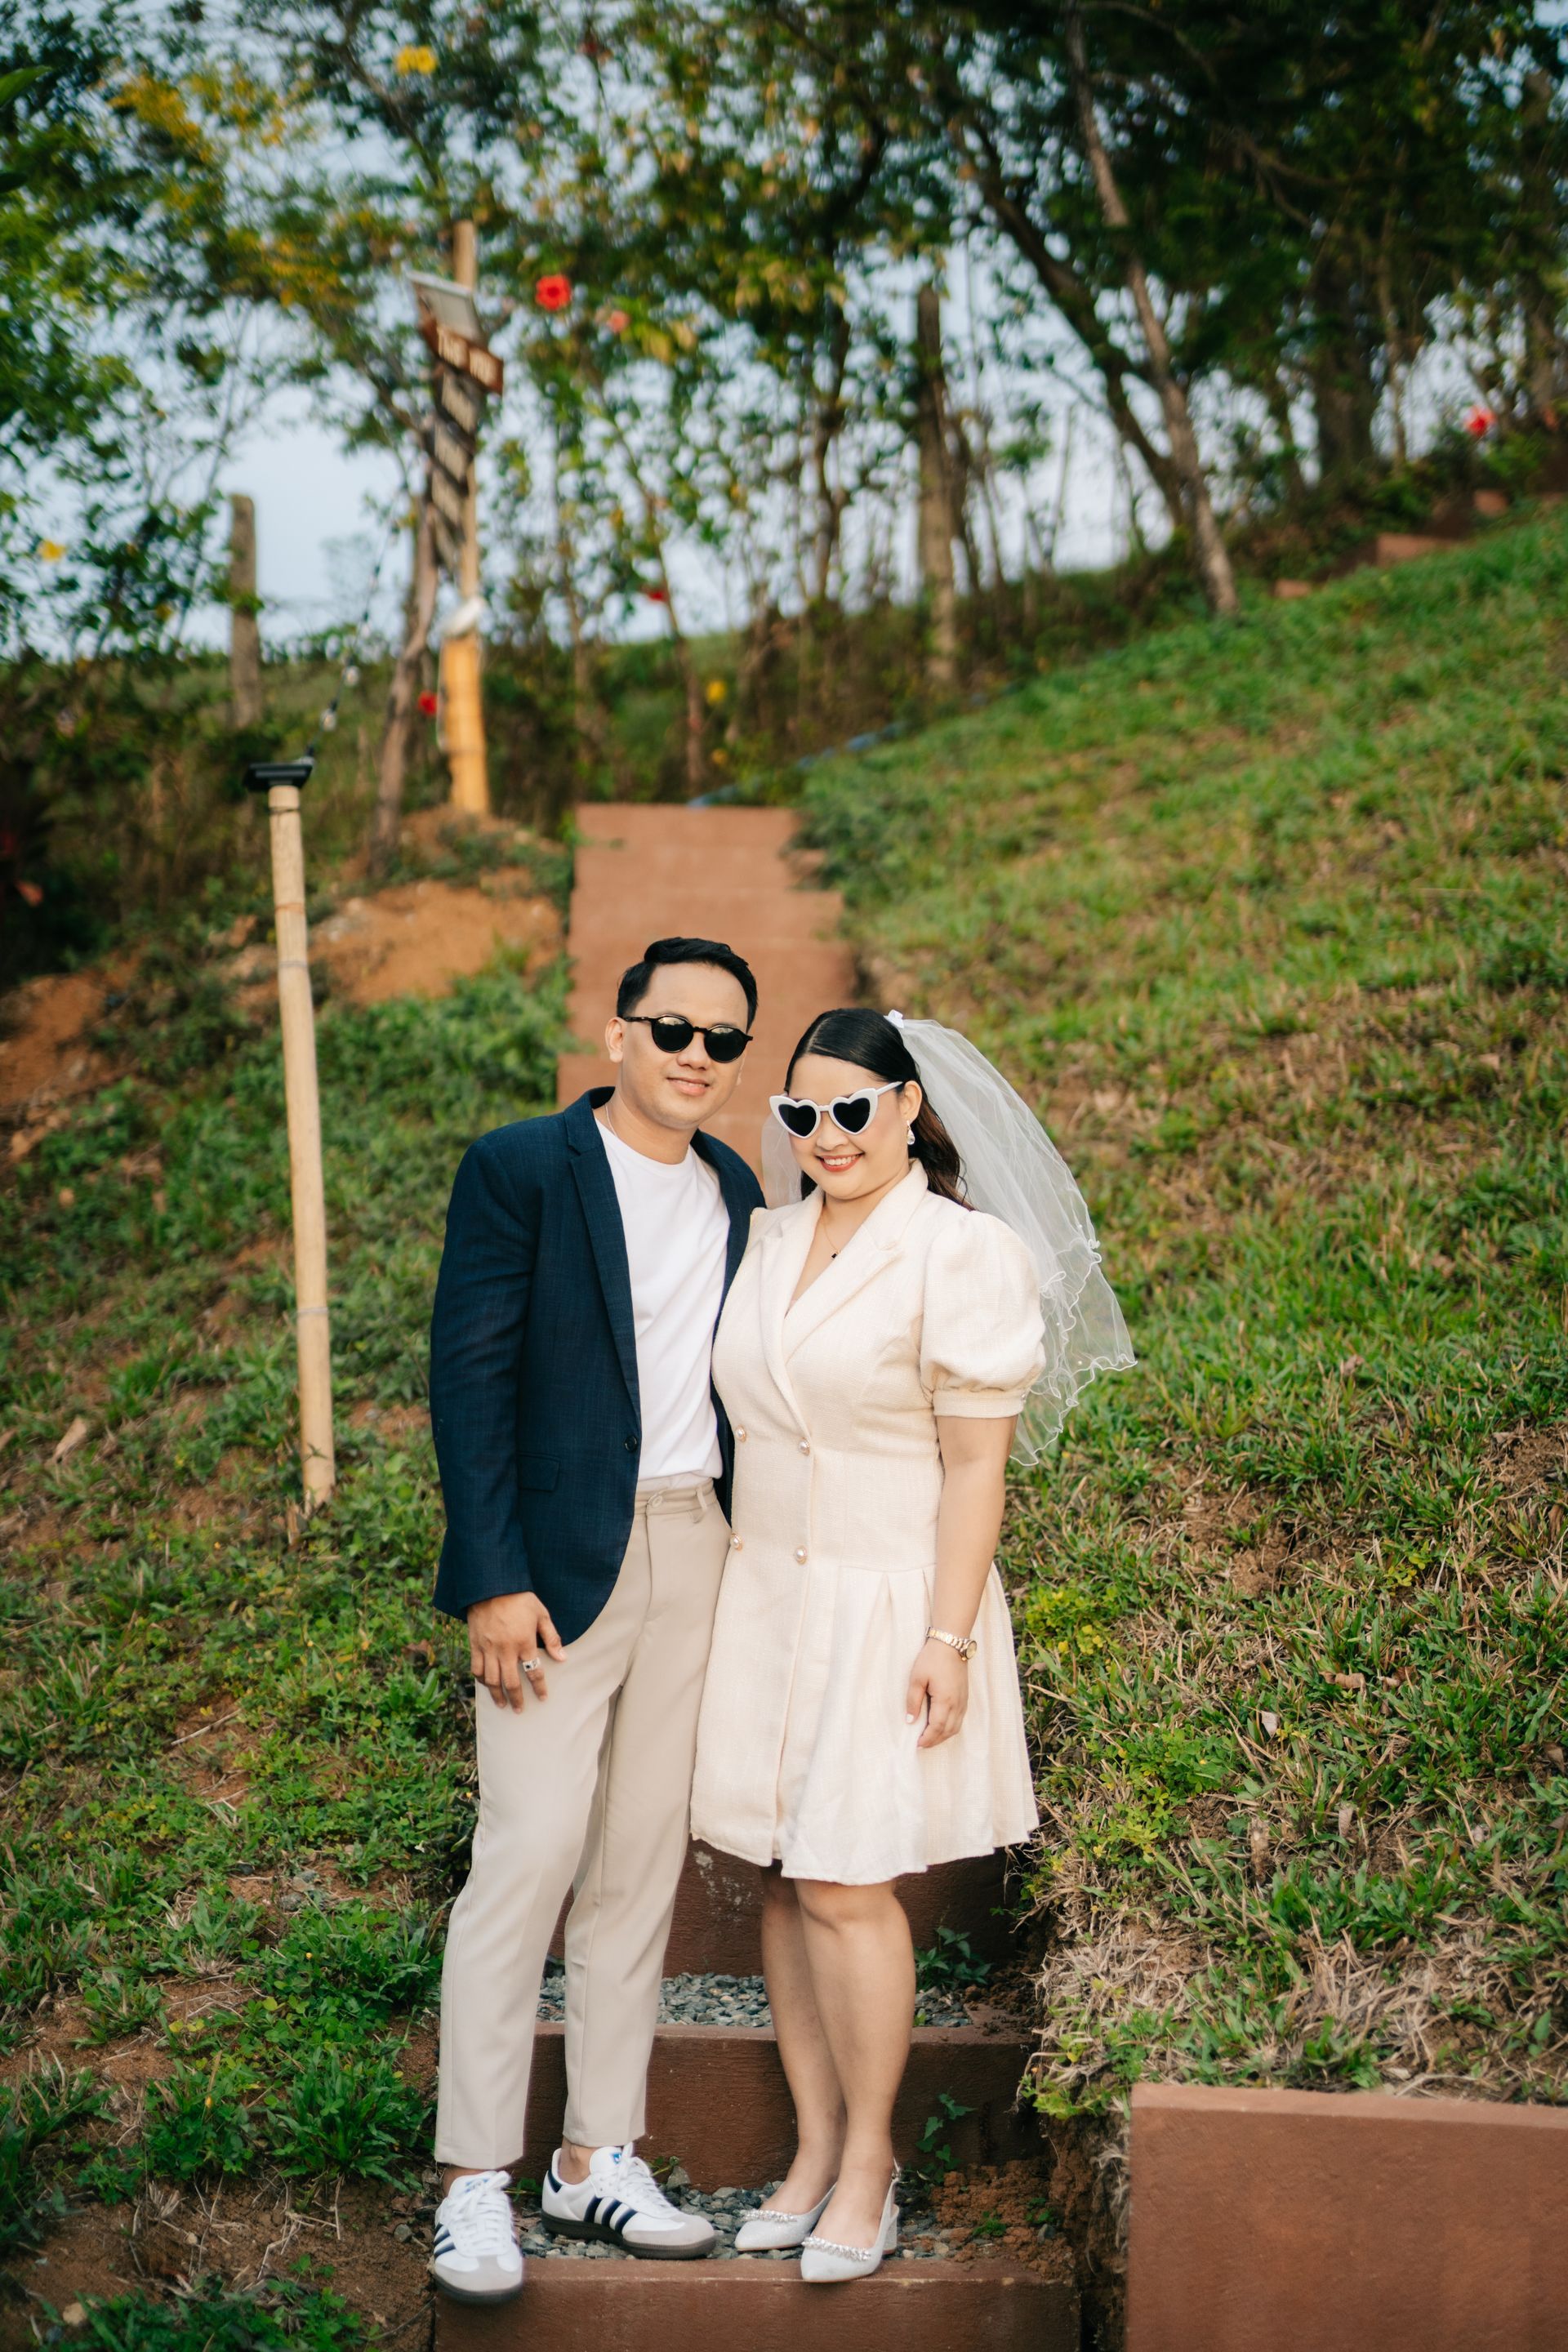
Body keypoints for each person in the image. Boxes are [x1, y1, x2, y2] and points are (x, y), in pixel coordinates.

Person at [691, 1005, 1132, 2283]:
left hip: (889, 1604)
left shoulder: (963, 1252)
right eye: (801, 1113)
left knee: (845, 1880)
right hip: (764, 1597)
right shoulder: (769, 1239)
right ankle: (814, 2150)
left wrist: (949, 1634)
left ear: (908, 1109)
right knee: (784, 1877)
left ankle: (872, 2165)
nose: (825, 1135)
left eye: (851, 1110)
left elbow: (976, 1468)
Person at [425, 937, 764, 2303]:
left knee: (638, 1863)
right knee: (528, 1854)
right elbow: (469, 1379)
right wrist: (490, 1575)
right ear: (619, 1033)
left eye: (724, 1040)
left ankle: (594, 2155)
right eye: (673, 1027)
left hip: (699, 1547)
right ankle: (473, 2180)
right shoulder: (521, 1169)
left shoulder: (739, 1189)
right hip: (555, 1572)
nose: (697, 1055)